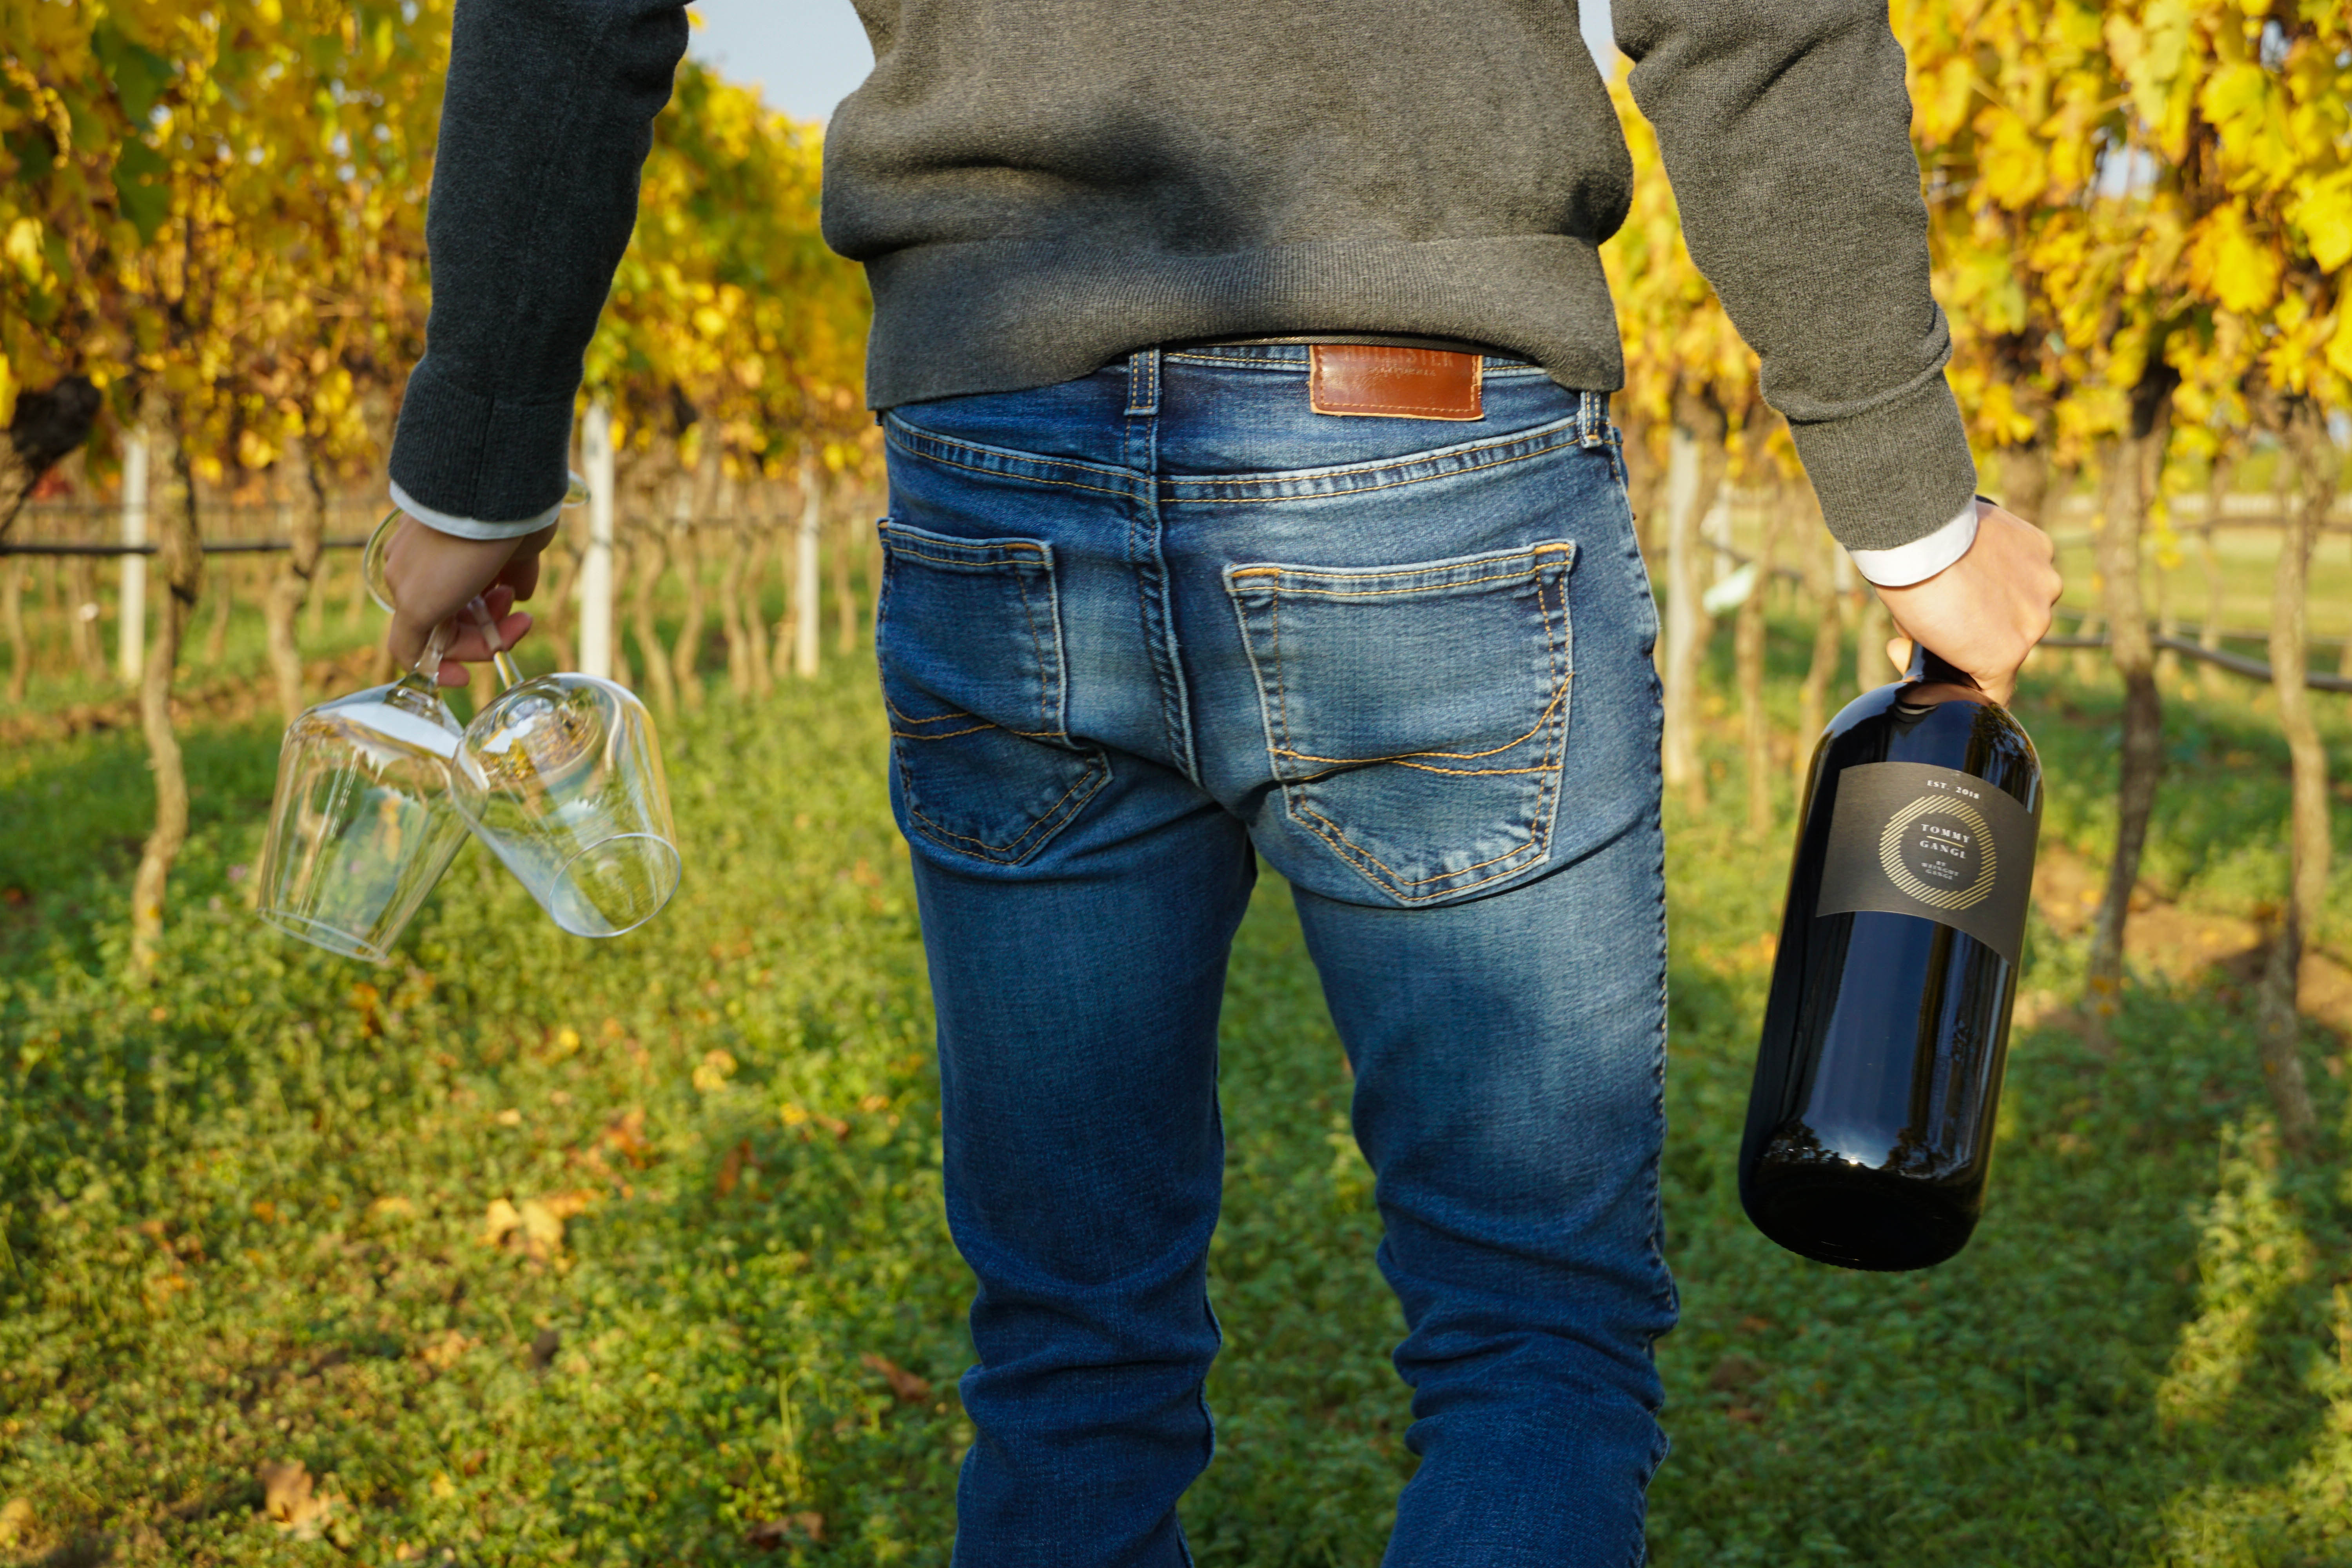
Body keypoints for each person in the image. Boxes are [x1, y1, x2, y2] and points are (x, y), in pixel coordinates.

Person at [379, 0, 2062, 1559]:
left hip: (1001, 440)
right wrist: (1910, 508)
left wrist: (476, 467)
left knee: (1070, 1341)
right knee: (1532, 1330)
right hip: (1431, 434)